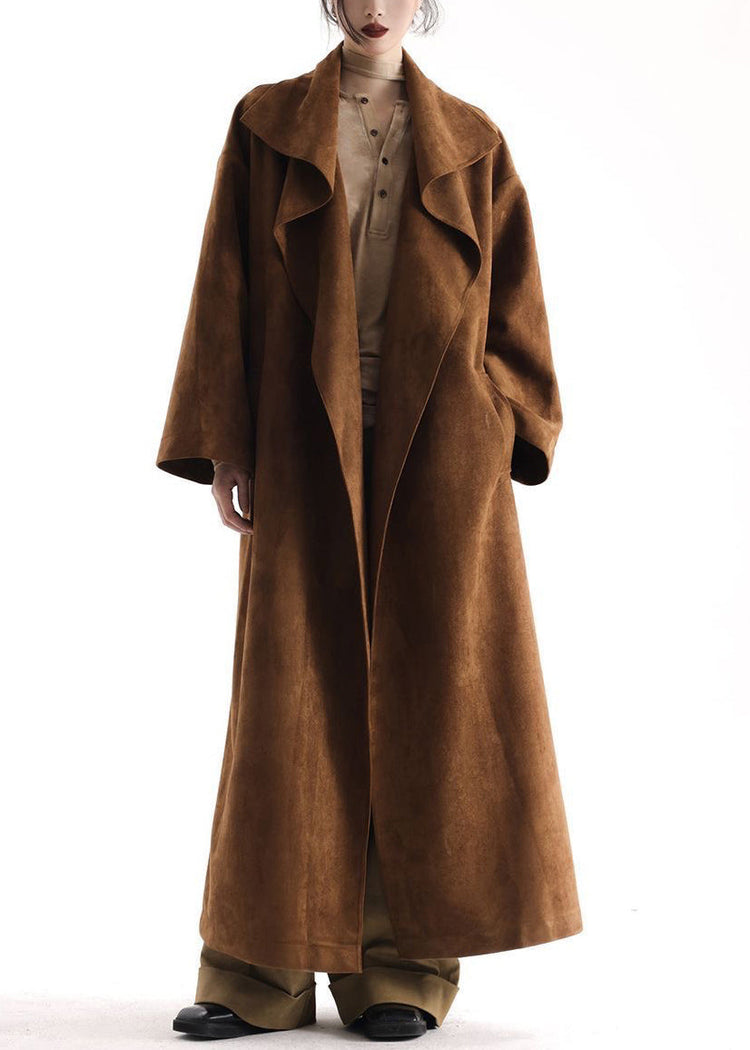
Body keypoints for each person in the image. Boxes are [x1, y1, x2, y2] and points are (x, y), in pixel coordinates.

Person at [157, 0, 582, 1042]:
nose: (374, 6)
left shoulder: (474, 141)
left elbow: (517, 305)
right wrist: (225, 440)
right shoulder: (266, 124)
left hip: (443, 451)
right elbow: (224, 282)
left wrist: (505, 425)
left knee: (427, 702)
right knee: (287, 699)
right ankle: (256, 972)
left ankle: (403, 968)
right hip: (304, 433)